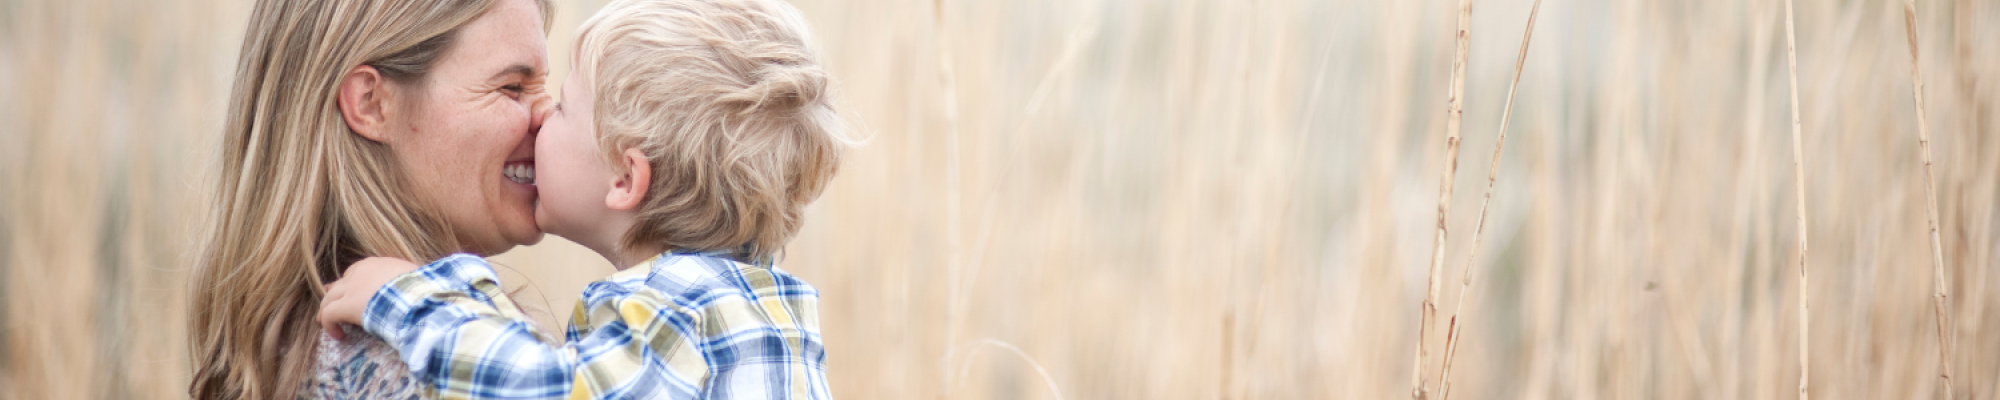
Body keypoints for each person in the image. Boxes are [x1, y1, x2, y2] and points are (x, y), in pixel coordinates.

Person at [316, 0, 844, 398]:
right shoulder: (756, 308)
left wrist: (410, 298)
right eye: (513, 88)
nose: (542, 115)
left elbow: (542, 387)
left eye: (563, 105)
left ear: (624, 178)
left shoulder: (685, 314)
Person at [187, 0, 555, 398]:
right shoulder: (408, 360)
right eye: (512, 87)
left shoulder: (309, 346)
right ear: (371, 104)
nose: (548, 114)